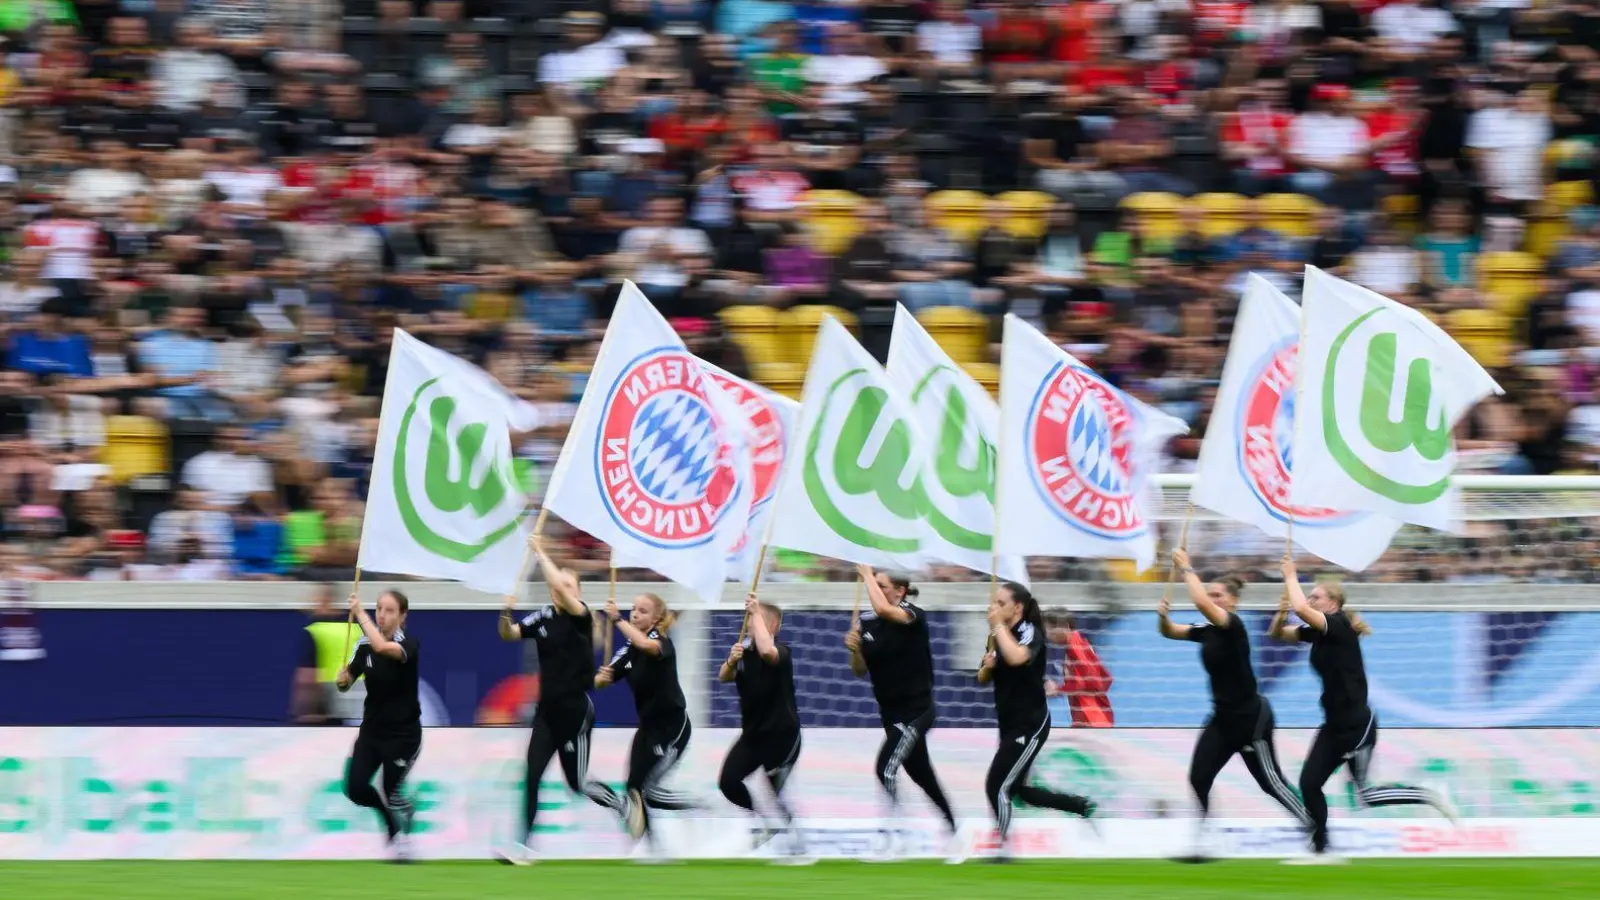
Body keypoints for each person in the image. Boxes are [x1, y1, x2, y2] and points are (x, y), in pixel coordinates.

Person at [1271, 556, 1458, 864]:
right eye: (1310, 596)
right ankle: (1320, 850)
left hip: (1356, 724)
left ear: (1333, 604)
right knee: (1310, 784)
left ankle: (1427, 794)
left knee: (1365, 795)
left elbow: (1301, 609)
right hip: (1333, 726)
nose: (1311, 600)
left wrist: (1290, 575)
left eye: (1316, 596)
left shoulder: (1339, 625)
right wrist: (1280, 615)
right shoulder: (1319, 632)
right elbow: (1279, 634)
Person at [1158, 549, 1311, 860]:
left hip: (1250, 718)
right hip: (1222, 719)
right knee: (1199, 778)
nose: (1212, 598)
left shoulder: (1233, 626)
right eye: (1211, 593)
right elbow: (1170, 632)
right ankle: (1205, 842)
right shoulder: (1207, 631)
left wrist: (1186, 567)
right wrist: (1162, 617)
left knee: (1270, 783)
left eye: (1218, 595)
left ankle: (1313, 826)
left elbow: (1201, 603)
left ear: (1233, 601)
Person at [495, 538, 622, 865]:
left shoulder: (582, 616)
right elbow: (509, 634)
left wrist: (540, 551)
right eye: (557, 585)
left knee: (577, 784)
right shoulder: (543, 617)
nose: (559, 589)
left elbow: (562, 589)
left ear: (577, 592)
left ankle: (621, 805)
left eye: (567, 585)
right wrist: (505, 612)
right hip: (547, 712)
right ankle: (523, 846)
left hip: (575, 712)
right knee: (532, 776)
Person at [844, 565, 962, 861]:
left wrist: (866, 575)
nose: (876, 589)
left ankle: (895, 838)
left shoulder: (912, 614)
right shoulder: (869, 623)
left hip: (916, 710)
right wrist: (855, 649)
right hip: (890, 713)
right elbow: (859, 670)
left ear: (900, 591)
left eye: (882, 585)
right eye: (875, 584)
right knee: (922, 775)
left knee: (884, 768)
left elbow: (885, 610)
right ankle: (955, 831)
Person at [976, 582, 1098, 863]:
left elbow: (1017, 657)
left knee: (997, 785)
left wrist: (997, 626)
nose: (995, 607)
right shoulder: (997, 634)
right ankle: (1081, 806)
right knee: (1020, 792)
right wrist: (987, 666)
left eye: (1001, 603)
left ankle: (1002, 847)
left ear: (1017, 607)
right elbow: (982, 677)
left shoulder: (1029, 632)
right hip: (1009, 722)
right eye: (994, 602)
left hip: (1030, 724)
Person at [594, 591, 698, 854]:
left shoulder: (660, 641)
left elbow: (647, 645)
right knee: (633, 788)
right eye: (633, 609)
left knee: (649, 790)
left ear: (656, 619)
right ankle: (653, 849)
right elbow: (602, 680)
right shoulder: (628, 650)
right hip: (648, 727)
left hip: (673, 726)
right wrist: (602, 678)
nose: (635, 614)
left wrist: (617, 619)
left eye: (642, 611)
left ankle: (696, 806)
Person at [718, 593, 810, 865]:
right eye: (748, 623)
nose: (749, 627)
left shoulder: (781, 651)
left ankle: (797, 847)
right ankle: (766, 822)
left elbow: (768, 652)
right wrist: (731, 661)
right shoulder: (744, 653)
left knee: (774, 792)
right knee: (728, 783)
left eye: (755, 622)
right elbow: (723, 677)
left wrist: (756, 611)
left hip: (782, 736)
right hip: (753, 736)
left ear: (772, 626)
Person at [337, 589, 420, 862]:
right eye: (379, 609)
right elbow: (347, 681)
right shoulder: (363, 645)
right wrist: (343, 680)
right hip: (372, 733)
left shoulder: (409, 644)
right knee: (355, 788)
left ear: (403, 616)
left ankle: (403, 832)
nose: (381, 615)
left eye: (389, 610)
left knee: (391, 790)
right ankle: (390, 822)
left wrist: (359, 612)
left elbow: (383, 648)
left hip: (403, 735)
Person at [1044, 610, 1114, 728]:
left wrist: (1058, 690)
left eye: (1051, 630)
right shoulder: (1077, 643)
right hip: (1087, 716)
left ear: (1065, 626)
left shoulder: (1075, 646)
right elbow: (1105, 678)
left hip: (1092, 717)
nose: (1048, 635)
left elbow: (1087, 682)